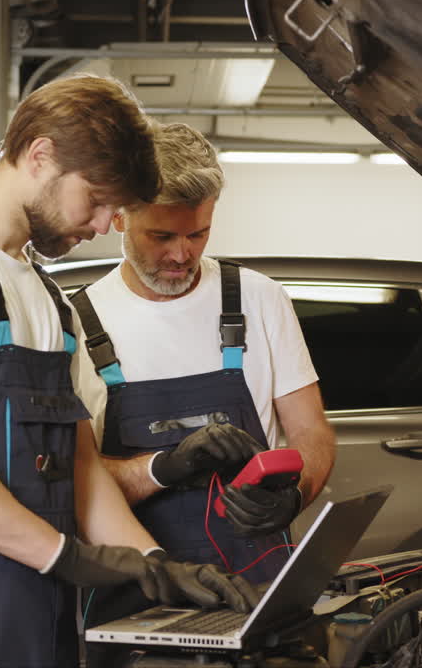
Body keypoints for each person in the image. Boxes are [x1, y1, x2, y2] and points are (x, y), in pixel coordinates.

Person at [0, 77, 257, 668]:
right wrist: (67, 557)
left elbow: (80, 464)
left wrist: (157, 564)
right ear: (41, 156)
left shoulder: (46, 297)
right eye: (100, 199)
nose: (108, 223)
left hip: (41, 604)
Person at [75, 122, 336, 665]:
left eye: (198, 234)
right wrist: (164, 466)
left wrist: (297, 493)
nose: (182, 254)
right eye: (162, 236)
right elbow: (79, 478)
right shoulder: (79, 324)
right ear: (120, 217)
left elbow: (311, 431)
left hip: (259, 583)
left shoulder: (258, 300)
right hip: (139, 595)